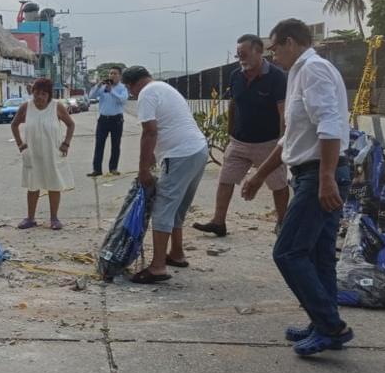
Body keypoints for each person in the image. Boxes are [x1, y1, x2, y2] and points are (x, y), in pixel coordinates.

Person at [241, 18, 353, 356]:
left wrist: (326, 178)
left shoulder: (313, 70)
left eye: (275, 49)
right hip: (313, 172)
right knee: (319, 256)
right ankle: (322, 322)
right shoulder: (299, 73)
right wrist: (259, 175)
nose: (273, 56)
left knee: (288, 252)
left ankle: (331, 327)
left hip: (319, 174)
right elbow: (291, 138)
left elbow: (330, 125)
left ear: (290, 42)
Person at [194, 34, 288, 237]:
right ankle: (218, 222)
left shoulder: (277, 77)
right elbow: (233, 104)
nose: (241, 59)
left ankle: (282, 222)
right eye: (238, 55)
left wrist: (281, 143)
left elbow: (283, 112)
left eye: (243, 54)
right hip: (239, 141)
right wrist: (230, 133)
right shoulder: (236, 75)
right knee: (225, 179)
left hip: (268, 143)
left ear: (258, 51)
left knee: (278, 184)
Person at [122, 66, 208, 284]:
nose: (131, 94)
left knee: (162, 208)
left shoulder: (146, 94)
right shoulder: (164, 88)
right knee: (177, 207)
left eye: (129, 89)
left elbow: (149, 131)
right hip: (197, 150)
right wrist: (152, 156)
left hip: (179, 155)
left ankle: (158, 266)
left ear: (131, 85)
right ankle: (177, 253)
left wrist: (143, 169)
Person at [11, 78, 75, 230]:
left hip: (52, 152)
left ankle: (54, 218)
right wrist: (20, 144)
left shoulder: (56, 106)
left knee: (54, 184)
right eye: (36, 93)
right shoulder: (26, 107)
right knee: (33, 186)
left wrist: (66, 143)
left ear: (49, 95)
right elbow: (14, 125)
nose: (39, 97)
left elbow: (71, 124)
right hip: (32, 153)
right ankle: (30, 218)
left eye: (44, 94)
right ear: (32, 93)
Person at [87, 66, 128, 177]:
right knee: (99, 144)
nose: (112, 75)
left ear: (120, 76)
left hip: (116, 119)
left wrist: (112, 91)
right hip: (103, 119)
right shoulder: (103, 87)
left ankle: (113, 168)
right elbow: (91, 96)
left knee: (115, 145)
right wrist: (98, 86)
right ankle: (97, 169)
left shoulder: (122, 88)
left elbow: (122, 100)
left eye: (115, 73)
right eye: (110, 73)